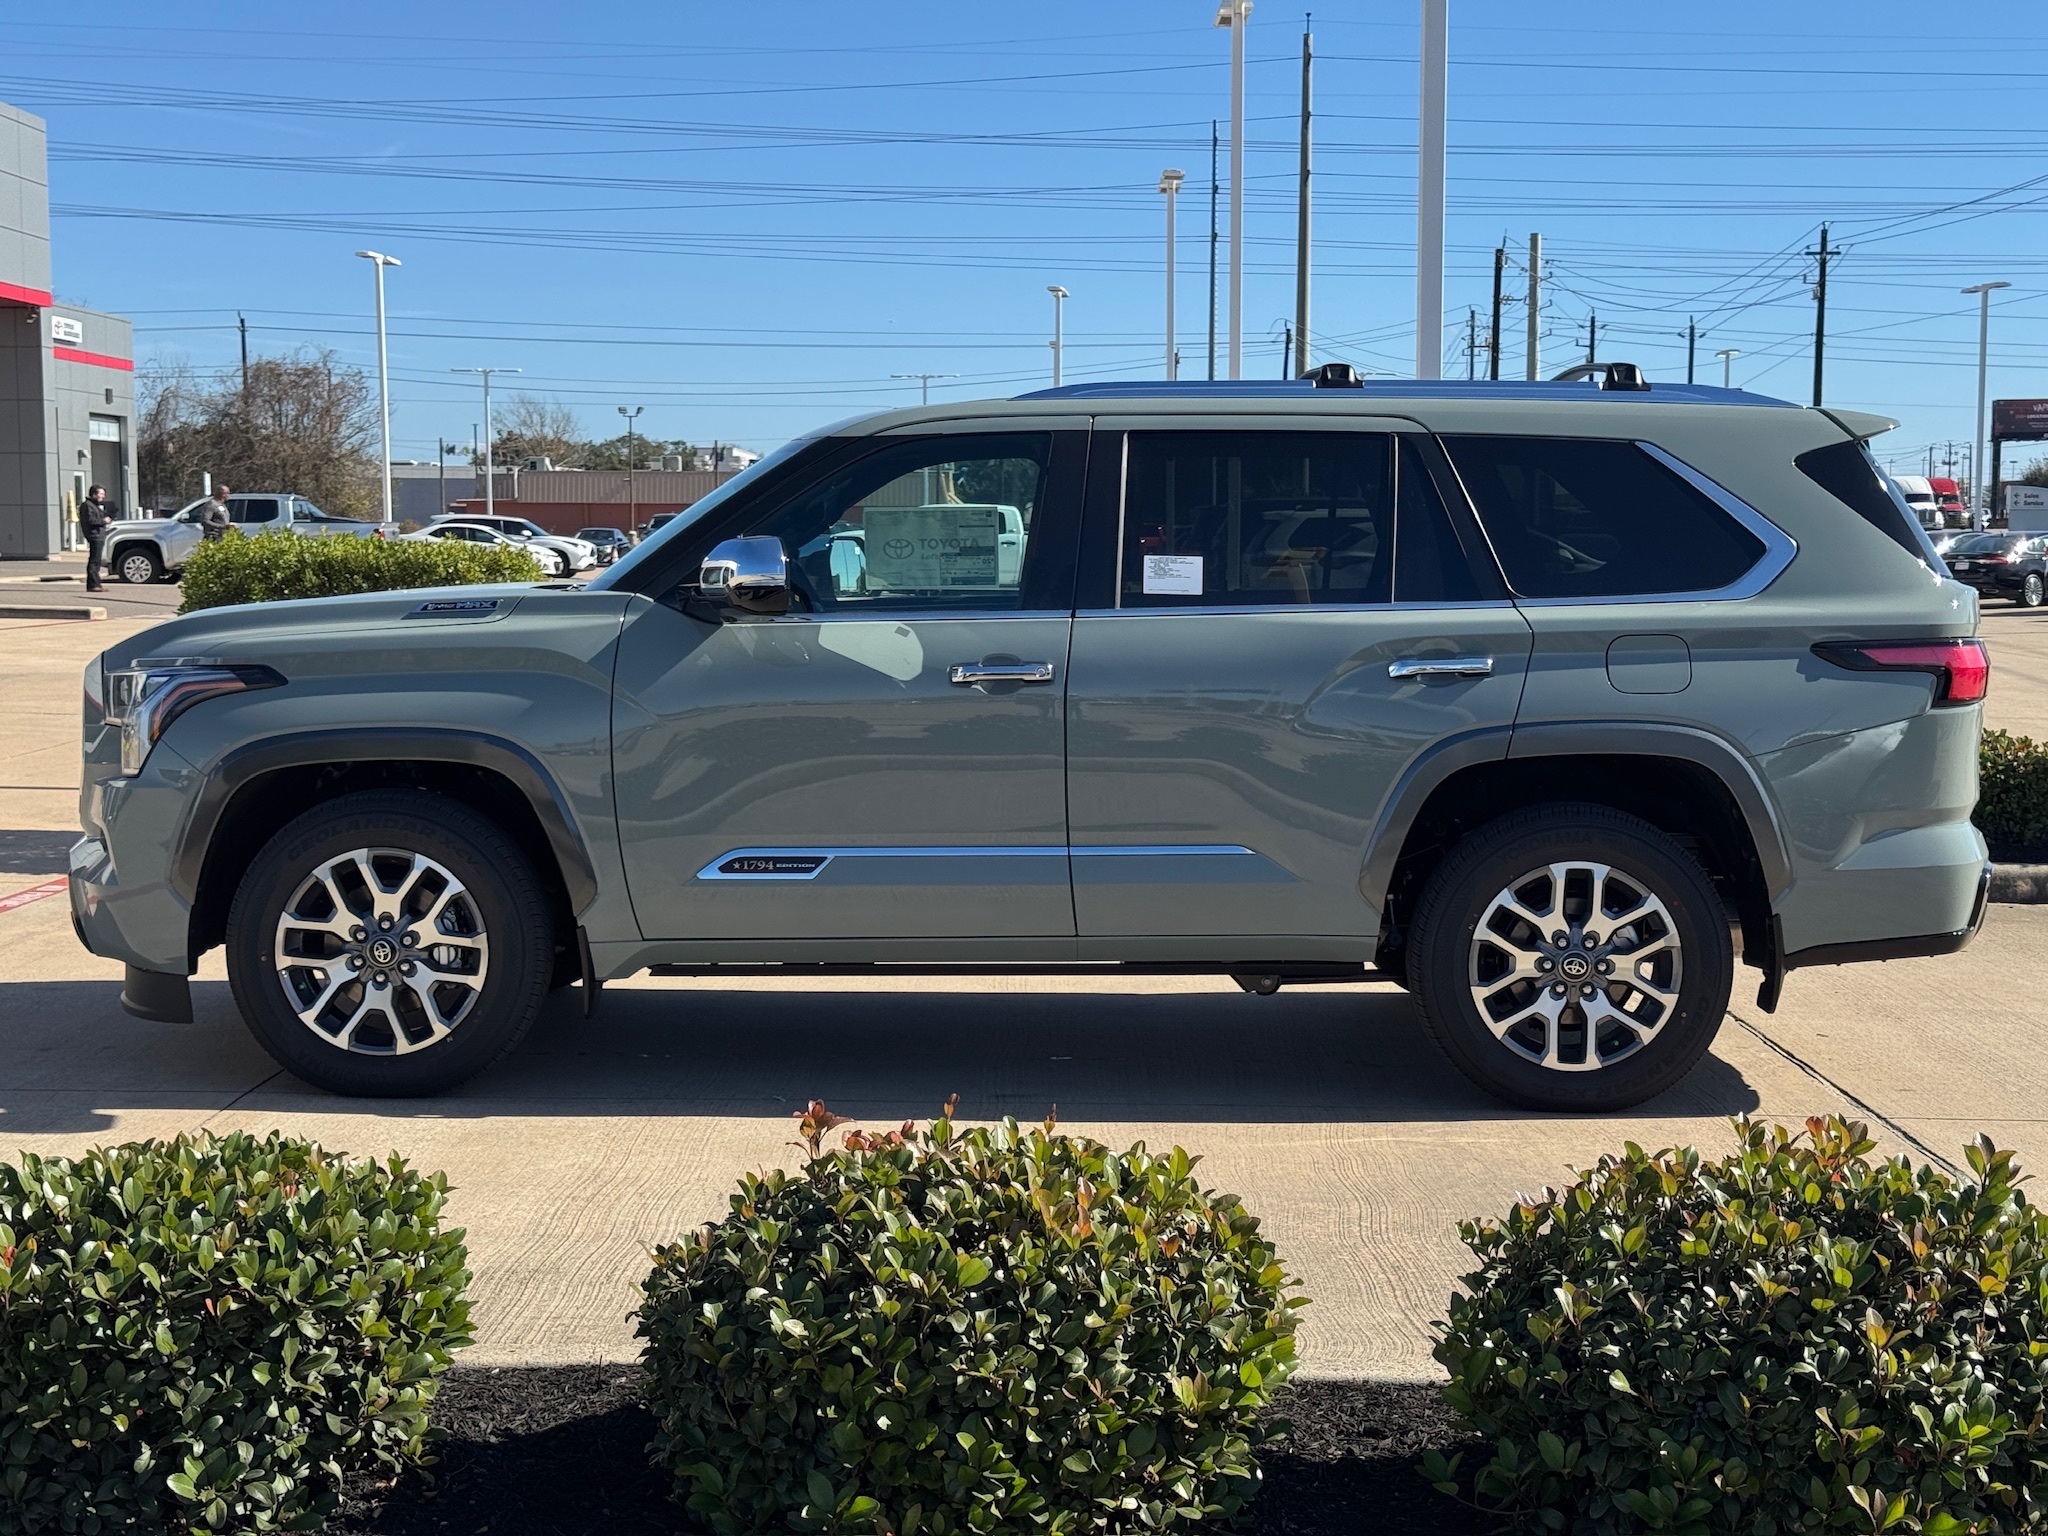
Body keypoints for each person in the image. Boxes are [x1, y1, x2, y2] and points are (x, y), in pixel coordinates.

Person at [78, 483, 116, 592]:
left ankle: (97, 583)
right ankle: (92, 584)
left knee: (97, 561)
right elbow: (90, 521)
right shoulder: (87, 505)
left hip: (99, 535)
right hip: (94, 535)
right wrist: (103, 521)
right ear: (94, 494)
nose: (103, 496)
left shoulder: (95, 506)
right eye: (101, 494)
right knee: (94, 561)